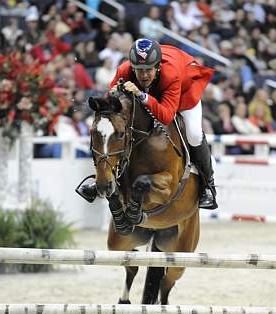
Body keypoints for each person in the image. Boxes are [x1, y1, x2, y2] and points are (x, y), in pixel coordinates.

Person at [82, 38, 217, 209]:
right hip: (153, 93)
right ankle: (100, 178)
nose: (144, 75)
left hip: (183, 93)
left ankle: (208, 186)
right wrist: (113, 95)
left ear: (158, 67)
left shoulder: (171, 74)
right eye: (139, 71)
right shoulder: (124, 71)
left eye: (148, 70)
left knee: (194, 134)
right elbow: (112, 109)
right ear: (132, 68)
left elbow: (166, 116)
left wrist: (142, 96)